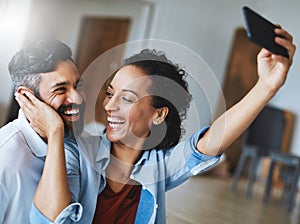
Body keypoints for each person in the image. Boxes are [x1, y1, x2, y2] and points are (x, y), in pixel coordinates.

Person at [19, 26, 295, 223]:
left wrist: (267, 86)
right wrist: (56, 134)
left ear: (158, 115)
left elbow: (212, 141)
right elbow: (49, 219)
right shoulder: (78, 152)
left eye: (126, 98)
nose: (109, 106)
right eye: (110, 93)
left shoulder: (161, 168)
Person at [0, 39, 86, 223]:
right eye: (61, 89)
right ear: (26, 97)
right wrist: (55, 129)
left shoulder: (77, 144)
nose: (77, 98)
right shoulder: (4, 157)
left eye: (78, 86)